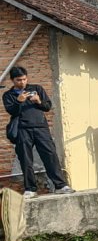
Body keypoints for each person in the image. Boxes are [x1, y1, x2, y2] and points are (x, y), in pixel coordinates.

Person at [2, 66, 74, 198]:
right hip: (22, 130)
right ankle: (30, 188)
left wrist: (38, 101)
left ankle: (60, 185)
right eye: (18, 80)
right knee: (25, 160)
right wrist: (19, 101)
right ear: (12, 80)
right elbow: (11, 111)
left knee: (50, 155)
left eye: (24, 79)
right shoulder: (8, 95)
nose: (22, 82)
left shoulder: (37, 89)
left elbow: (47, 107)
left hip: (41, 128)